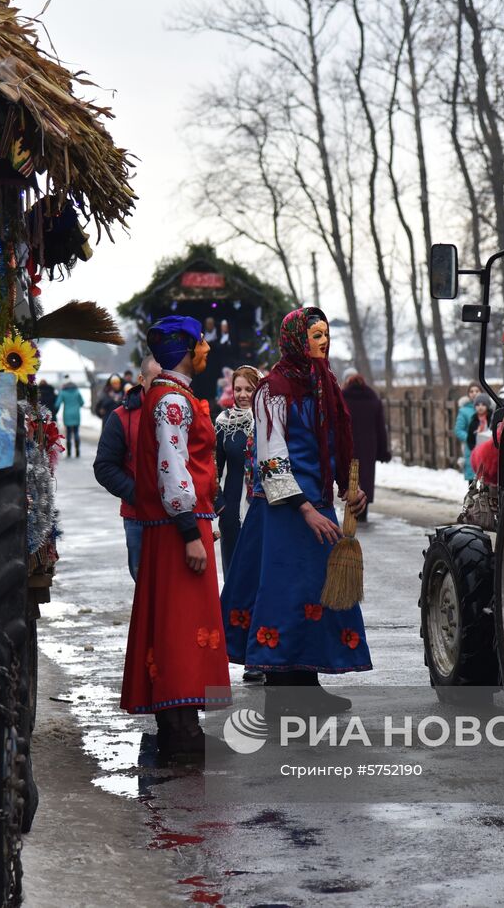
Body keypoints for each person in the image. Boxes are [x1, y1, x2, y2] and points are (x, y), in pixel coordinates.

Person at [223, 307, 369, 716]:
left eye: (326, 333)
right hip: (284, 511)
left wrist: (349, 490)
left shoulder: (326, 385)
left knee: (314, 596)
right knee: (283, 597)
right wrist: (305, 509)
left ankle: (307, 685)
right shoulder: (273, 389)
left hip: (318, 505)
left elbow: (337, 444)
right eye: (315, 335)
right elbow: (271, 460)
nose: (324, 341)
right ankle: (278, 695)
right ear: (295, 340)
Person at [120, 317, 230, 757]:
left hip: (175, 525)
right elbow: (173, 467)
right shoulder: (172, 402)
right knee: (182, 624)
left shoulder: (171, 396)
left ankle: (180, 722)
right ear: (185, 350)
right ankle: (182, 729)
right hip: (176, 528)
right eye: (201, 342)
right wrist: (189, 531)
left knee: (176, 623)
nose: (206, 349)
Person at [93, 357, 160, 581]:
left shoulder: (182, 411)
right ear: (141, 379)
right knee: (143, 583)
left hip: (178, 518)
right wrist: (137, 494)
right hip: (137, 516)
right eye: (156, 380)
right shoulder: (121, 417)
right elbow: (104, 467)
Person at [216, 366, 260, 570]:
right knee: (233, 566)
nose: (242, 395)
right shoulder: (223, 422)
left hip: (261, 505)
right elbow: (213, 467)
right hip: (231, 507)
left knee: (257, 566)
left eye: (249, 390)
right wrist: (219, 504)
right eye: (238, 389)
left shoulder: (268, 420)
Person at [341, 369, 390, 523]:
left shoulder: (342, 398)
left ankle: (350, 509)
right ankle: (363, 510)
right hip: (369, 445)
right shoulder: (373, 399)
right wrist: (383, 451)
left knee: (350, 475)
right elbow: (381, 428)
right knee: (366, 477)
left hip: (348, 444)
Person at [454, 383, 481, 480]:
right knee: (472, 481)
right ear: (468, 394)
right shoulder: (464, 411)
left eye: (477, 391)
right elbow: (458, 430)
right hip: (471, 448)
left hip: (485, 446)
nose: (474, 393)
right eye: (471, 391)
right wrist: (470, 438)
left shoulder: (488, 408)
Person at [54, 377, 85, 458]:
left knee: (68, 433)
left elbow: (57, 404)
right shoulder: (77, 391)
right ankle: (77, 451)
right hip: (76, 414)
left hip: (67, 414)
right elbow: (82, 403)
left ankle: (69, 452)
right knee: (76, 432)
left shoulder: (63, 392)